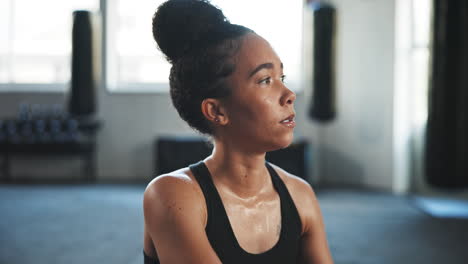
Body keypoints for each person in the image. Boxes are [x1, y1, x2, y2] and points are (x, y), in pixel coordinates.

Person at [143, 0, 334, 263]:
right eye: (265, 80)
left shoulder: (300, 194)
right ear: (216, 111)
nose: (289, 95)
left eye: (283, 78)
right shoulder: (172, 195)